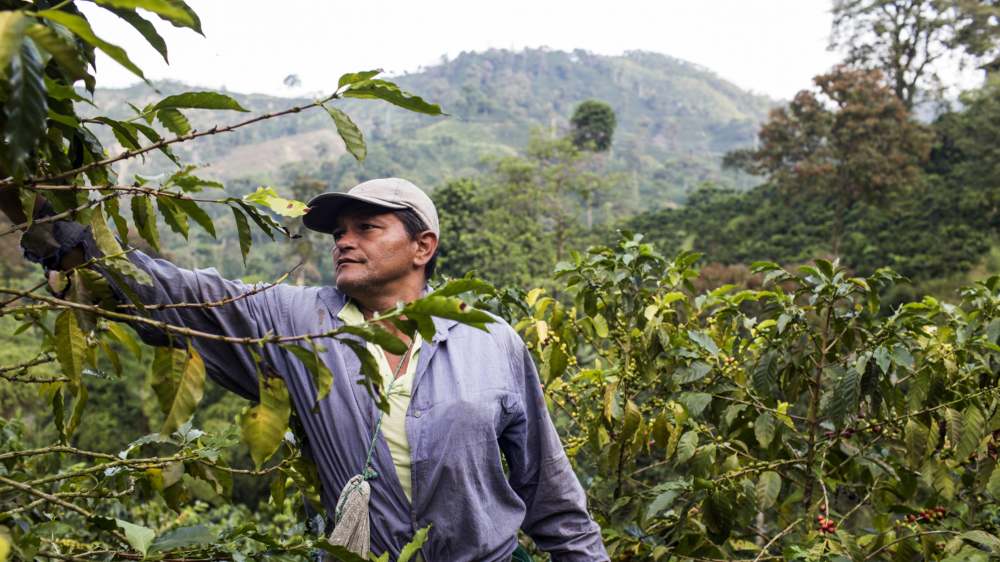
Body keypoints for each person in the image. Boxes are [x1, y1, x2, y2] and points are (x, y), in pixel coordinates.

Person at [5, 177, 609, 562]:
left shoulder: (491, 340)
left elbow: (549, 492)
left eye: (367, 228)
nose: (345, 241)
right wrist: (66, 238)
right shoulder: (294, 320)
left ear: (422, 247)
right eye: (339, 232)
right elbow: (180, 293)